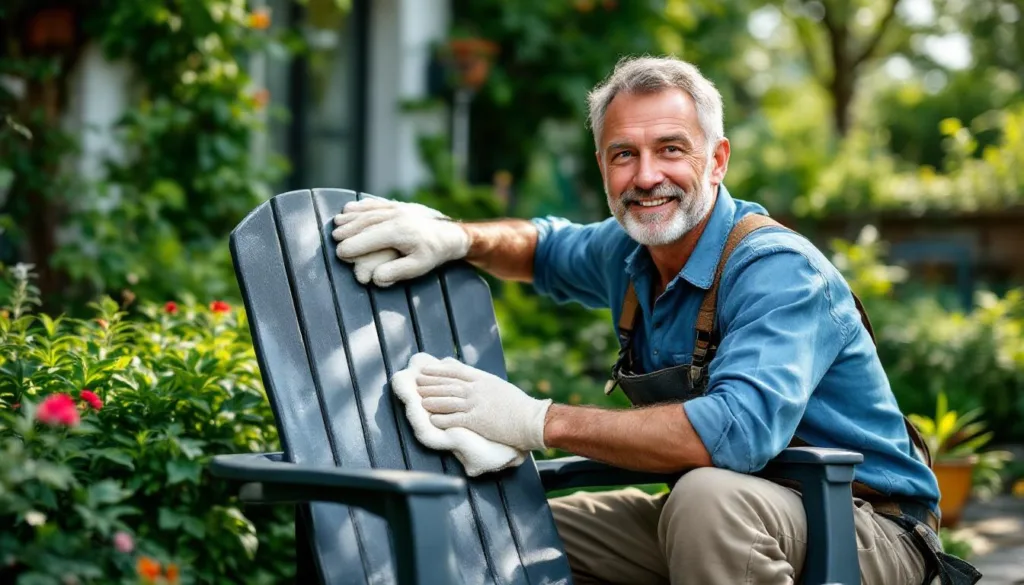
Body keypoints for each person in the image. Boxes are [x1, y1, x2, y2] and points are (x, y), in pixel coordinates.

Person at [330, 56, 980, 585]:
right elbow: (542, 246)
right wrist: (453, 237)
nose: (646, 177)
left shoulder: (776, 270)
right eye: (623, 154)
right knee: (501, 532)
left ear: (717, 159)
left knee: (705, 499)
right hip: (729, 515)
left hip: (866, 525)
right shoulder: (630, 252)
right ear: (603, 167)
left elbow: (736, 433)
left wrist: (535, 420)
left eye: (670, 149)